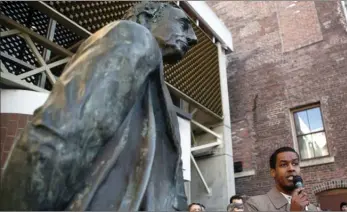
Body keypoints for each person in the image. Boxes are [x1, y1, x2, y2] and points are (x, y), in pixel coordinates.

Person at [0, 2, 197, 211]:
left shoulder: (159, 92)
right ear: (146, 17)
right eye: (183, 24)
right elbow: (62, 135)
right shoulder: (133, 36)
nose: (193, 38)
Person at [244, 147, 318, 211]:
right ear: (273, 172)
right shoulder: (255, 205)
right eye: (283, 164)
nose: (291, 168)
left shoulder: (312, 208)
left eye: (295, 163)